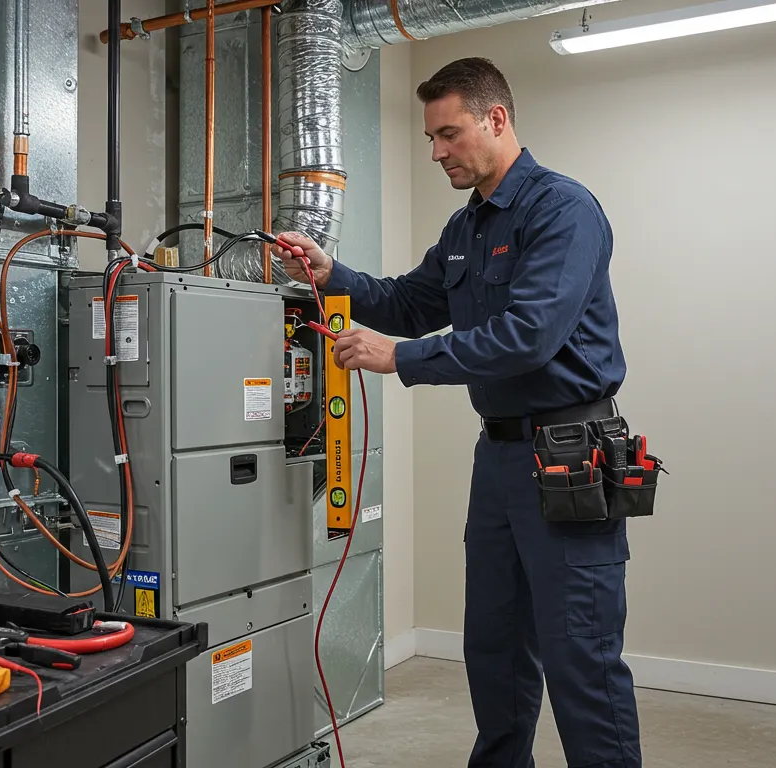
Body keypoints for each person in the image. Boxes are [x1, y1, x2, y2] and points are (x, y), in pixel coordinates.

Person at [272, 57, 641, 767]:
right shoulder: (466, 227)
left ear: (496, 119)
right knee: (495, 647)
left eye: (449, 134)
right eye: (431, 138)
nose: (437, 151)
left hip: (572, 449)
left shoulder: (564, 210)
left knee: (581, 654)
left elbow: (529, 336)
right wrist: (331, 273)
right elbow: (410, 302)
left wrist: (401, 359)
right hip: (499, 458)